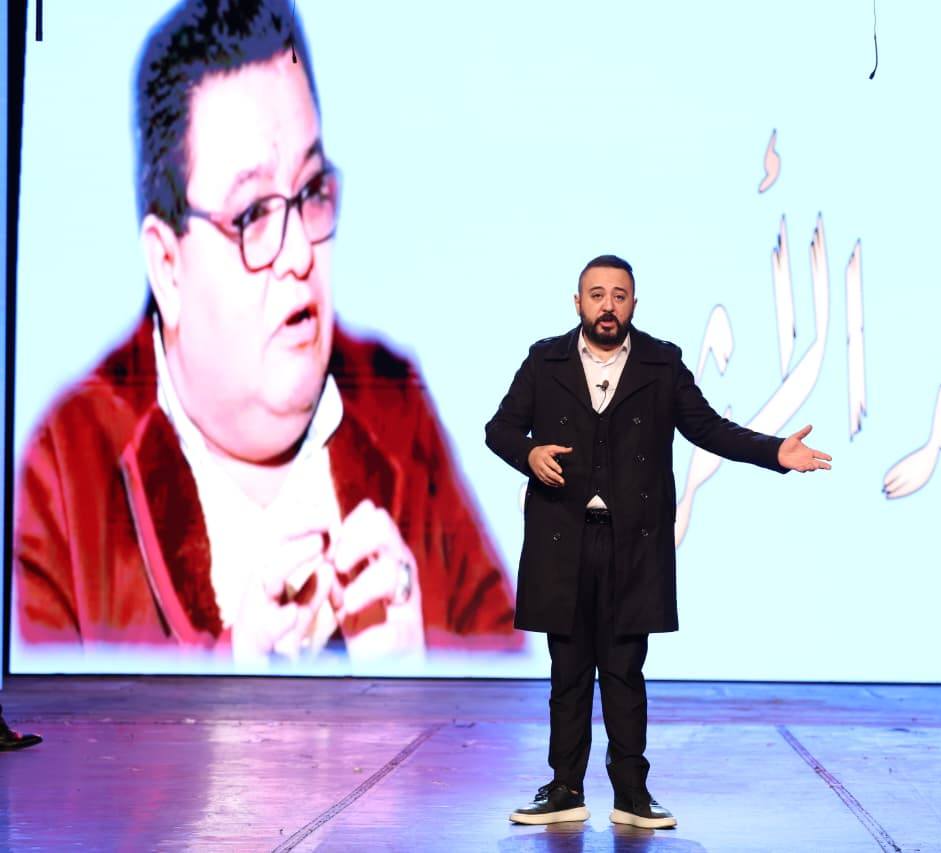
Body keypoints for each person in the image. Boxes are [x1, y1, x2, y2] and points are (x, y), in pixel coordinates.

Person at [13, 0, 517, 667]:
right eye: (252, 214)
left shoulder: (396, 408)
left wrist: (418, 686)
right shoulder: (65, 473)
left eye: (310, 192)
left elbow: (513, 702)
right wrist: (235, 685)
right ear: (167, 266)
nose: (300, 253)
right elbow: (41, 732)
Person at [486, 254, 831, 828]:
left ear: (633, 304)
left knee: (624, 671)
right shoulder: (544, 360)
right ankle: (565, 789)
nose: (607, 306)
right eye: (597, 294)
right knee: (568, 673)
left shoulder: (660, 362)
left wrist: (774, 452)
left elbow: (708, 428)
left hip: (632, 546)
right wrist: (529, 453)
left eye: (619, 296)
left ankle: (632, 794)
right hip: (562, 541)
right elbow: (498, 429)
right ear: (578, 302)